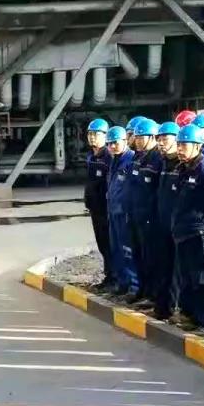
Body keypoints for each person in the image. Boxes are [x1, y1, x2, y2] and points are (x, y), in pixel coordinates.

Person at [171, 124, 204, 333]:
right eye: (179, 145)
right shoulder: (182, 169)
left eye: (184, 145)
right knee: (187, 277)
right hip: (183, 232)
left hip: (198, 232)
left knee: (203, 279)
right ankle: (192, 315)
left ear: (197, 146)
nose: (180, 149)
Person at [127, 117, 164, 307]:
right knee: (139, 255)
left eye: (142, 137)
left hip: (151, 218)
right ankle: (143, 290)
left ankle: (153, 295)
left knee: (152, 259)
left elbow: (158, 192)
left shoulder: (157, 159)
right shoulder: (137, 157)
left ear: (152, 138)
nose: (138, 141)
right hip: (136, 215)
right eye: (137, 137)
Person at [151, 121, 181, 320]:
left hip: (177, 226)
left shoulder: (182, 165)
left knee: (177, 270)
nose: (161, 143)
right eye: (159, 139)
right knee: (163, 265)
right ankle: (163, 306)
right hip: (162, 223)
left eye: (165, 139)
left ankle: (173, 306)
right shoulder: (163, 163)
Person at [106, 126, 137, 298]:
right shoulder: (114, 160)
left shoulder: (130, 160)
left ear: (125, 141)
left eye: (115, 143)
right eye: (109, 144)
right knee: (116, 249)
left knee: (128, 251)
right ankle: (122, 283)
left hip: (124, 213)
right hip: (113, 211)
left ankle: (134, 286)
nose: (112, 147)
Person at [84, 118, 113, 291]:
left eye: (96, 134)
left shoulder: (108, 157)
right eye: (90, 134)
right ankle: (108, 276)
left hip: (106, 208)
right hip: (95, 207)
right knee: (102, 243)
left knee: (110, 245)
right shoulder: (91, 156)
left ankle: (113, 278)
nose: (92, 137)